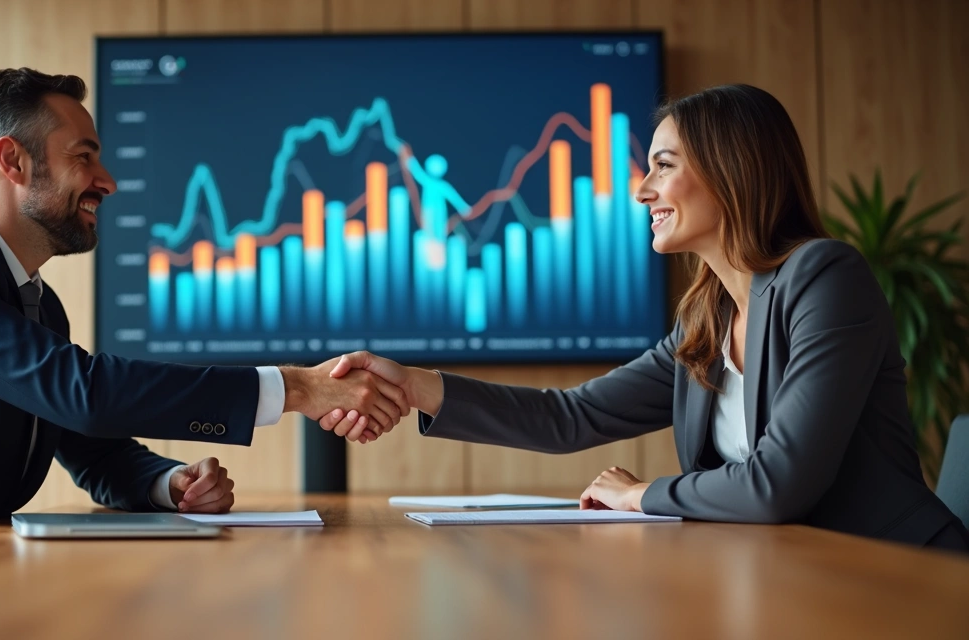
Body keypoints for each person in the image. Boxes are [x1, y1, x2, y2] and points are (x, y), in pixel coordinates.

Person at [0, 68, 408, 563]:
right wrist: (296, 387)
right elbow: (83, 393)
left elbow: (89, 444)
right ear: (11, 161)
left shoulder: (37, 303)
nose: (108, 181)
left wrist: (165, 484)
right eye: (84, 157)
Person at [319, 84, 969, 552]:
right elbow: (569, 417)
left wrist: (640, 494)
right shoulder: (706, 323)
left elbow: (777, 486)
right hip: (798, 574)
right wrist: (412, 384)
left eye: (664, 166)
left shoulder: (825, 279)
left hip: (901, 575)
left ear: (731, 170)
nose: (641, 190)